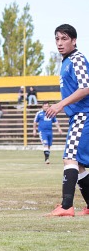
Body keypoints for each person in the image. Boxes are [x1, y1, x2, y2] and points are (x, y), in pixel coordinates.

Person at [44, 24, 89, 217]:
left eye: (64, 39)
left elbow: (86, 88)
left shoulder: (77, 59)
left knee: (69, 158)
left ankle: (66, 206)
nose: (60, 43)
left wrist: (60, 105)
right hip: (78, 117)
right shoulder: (66, 61)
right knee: (78, 164)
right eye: (57, 39)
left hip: (83, 115)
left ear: (74, 40)